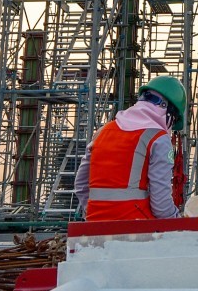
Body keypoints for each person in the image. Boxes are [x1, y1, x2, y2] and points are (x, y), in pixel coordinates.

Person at [75, 76, 186, 220]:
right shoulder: (158, 139)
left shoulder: (102, 132)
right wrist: (176, 220)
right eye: (174, 120)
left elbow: (80, 184)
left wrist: (94, 215)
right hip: (136, 226)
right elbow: (161, 205)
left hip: (94, 224)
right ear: (167, 109)